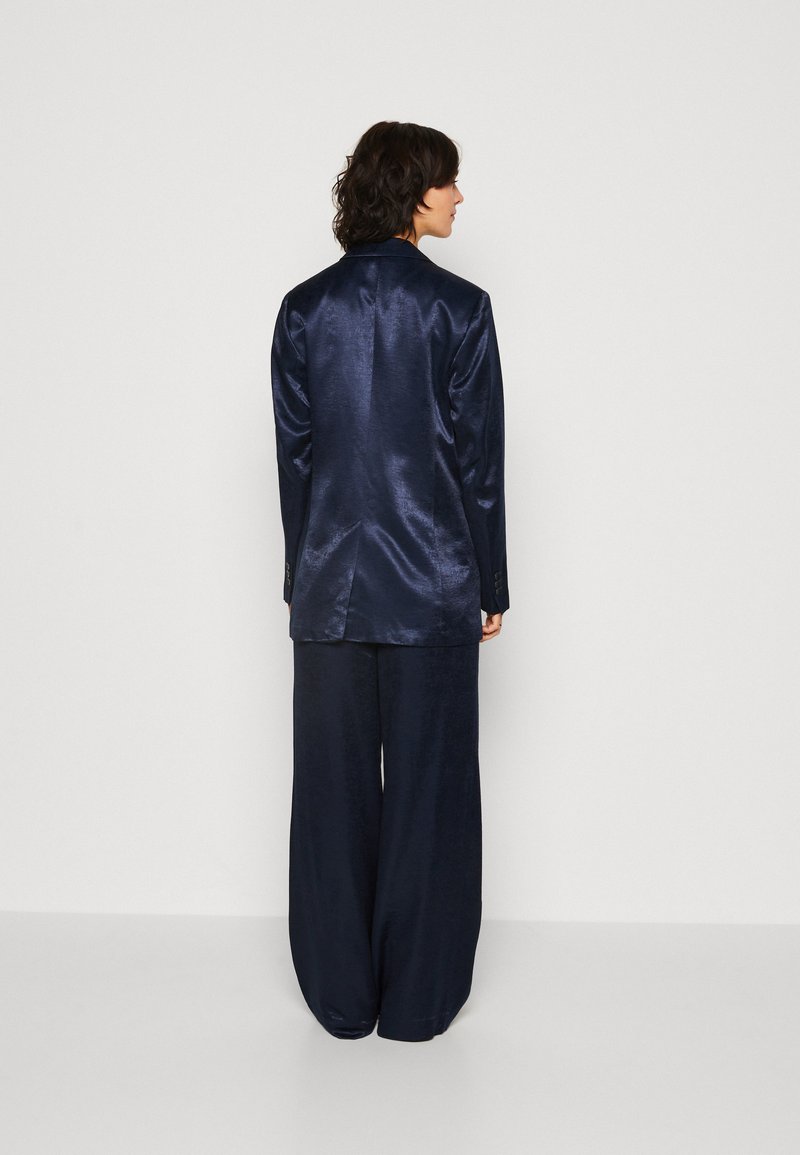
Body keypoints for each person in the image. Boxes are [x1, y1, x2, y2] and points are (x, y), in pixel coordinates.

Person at [270, 120, 510, 1042]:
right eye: (448, 181)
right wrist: (490, 581)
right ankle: (417, 1002)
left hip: (329, 588)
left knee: (330, 797)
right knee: (431, 795)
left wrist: (302, 575)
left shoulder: (304, 308)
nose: (458, 197)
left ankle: (339, 999)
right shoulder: (461, 308)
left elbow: (296, 460)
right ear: (413, 191)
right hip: (435, 584)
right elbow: (478, 464)